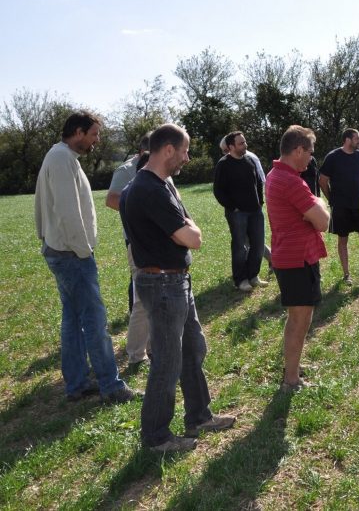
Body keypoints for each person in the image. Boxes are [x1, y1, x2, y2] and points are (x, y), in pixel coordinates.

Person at [122, 123, 235, 453]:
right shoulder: (149, 190)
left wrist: (187, 224)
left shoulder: (159, 184)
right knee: (167, 362)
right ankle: (156, 436)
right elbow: (193, 237)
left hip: (174, 280)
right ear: (168, 149)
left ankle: (198, 416)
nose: (187, 157)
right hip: (163, 284)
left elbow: (186, 222)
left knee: (192, 350)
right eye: (184, 150)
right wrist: (189, 228)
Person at [35, 111, 137, 404]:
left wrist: (45, 237)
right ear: (78, 132)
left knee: (72, 319)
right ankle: (111, 386)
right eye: (94, 134)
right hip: (71, 254)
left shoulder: (59, 157)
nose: (97, 140)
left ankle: (77, 384)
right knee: (94, 321)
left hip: (61, 250)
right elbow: (68, 213)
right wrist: (83, 251)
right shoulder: (62, 159)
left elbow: (43, 207)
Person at [265, 126, 330, 392]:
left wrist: (314, 204)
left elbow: (313, 213)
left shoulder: (276, 174)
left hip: (290, 256)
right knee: (299, 319)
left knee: (299, 316)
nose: (311, 159)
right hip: (296, 259)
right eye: (310, 153)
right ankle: (291, 379)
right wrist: (320, 204)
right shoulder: (291, 181)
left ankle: (293, 366)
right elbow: (324, 221)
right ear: (299, 150)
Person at [106, 132, 153, 366]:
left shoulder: (159, 166)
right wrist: (140, 213)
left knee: (152, 295)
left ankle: (152, 343)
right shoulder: (126, 170)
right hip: (136, 240)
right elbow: (112, 199)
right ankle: (136, 352)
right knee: (141, 297)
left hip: (160, 241)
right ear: (144, 150)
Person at [318, 128, 359, 283]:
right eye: (357, 138)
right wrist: (332, 199)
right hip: (340, 206)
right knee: (343, 240)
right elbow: (322, 180)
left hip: (358, 204)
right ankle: (347, 274)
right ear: (347, 139)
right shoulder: (333, 157)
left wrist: (356, 190)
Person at [213, 131, 266, 292]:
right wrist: (232, 207)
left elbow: (257, 182)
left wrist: (260, 202)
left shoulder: (249, 160)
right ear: (231, 147)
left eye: (245, 142)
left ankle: (253, 276)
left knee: (258, 245)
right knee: (240, 247)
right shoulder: (223, 164)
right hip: (237, 213)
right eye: (241, 143)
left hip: (255, 211)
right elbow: (218, 191)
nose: (245, 145)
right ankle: (241, 280)